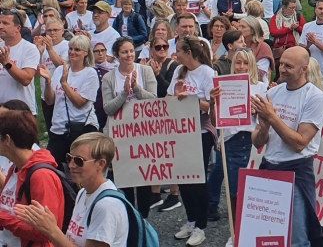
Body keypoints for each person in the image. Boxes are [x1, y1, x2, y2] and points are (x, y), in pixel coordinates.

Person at [251, 46, 323, 247]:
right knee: (267, 234)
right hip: (269, 167)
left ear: (303, 69)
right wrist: (265, 126)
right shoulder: (273, 93)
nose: (282, 69)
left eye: (289, 66)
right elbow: (258, 142)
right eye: (282, 63)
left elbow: (300, 143)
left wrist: (272, 117)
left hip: (296, 171)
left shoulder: (315, 97)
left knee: (297, 238)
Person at [16, 133, 130, 246]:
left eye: (79, 161)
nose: (71, 165)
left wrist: (52, 230)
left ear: (100, 164)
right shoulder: (83, 192)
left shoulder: (106, 206)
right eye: (69, 158)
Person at [207, 49, 266, 245]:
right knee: (233, 192)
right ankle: (236, 233)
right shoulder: (224, 87)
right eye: (238, 63)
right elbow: (216, 121)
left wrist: (256, 110)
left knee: (250, 191)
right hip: (230, 141)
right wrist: (214, 102)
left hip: (251, 140)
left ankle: (247, 232)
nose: (241, 67)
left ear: (252, 65)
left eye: (245, 63)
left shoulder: (261, 88)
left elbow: (266, 120)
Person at [100, 37, 159, 217]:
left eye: (131, 51)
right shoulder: (109, 77)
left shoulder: (146, 71)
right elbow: (108, 108)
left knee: (143, 177)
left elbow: (155, 101)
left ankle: (143, 217)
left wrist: (137, 89)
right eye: (125, 52)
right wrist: (125, 93)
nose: (129, 55)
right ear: (117, 55)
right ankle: (126, 217)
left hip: (143, 134)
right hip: (119, 136)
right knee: (123, 178)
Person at [167, 36, 215, 245]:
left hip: (201, 132)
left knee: (197, 178)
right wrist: (177, 97)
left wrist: (191, 98)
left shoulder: (207, 73)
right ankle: (191, 219)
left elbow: (211, 106)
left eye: (178, 50)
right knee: (183, 178)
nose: (175, 54)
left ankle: (201, 226)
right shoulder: (179, 71)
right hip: (181, 131)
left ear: (188, 52)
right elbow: (169, 98)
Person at [0, 107, 66, 247]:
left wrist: (2, 218)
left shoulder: (41, 176)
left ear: (7, 139)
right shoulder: (15, 168)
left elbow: (44, 231)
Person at [41, 34, 100, 170]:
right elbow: (50, 101)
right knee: (50, 167)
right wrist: (49, 83)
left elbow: (80, 102)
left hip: (81, 128)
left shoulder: (90, 73)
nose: (72, 52)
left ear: (86, 53)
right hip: (58, 128)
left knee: (80, 170)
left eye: (77, 50)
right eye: (71, 48)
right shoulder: (60, 70)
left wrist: (64, 84)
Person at [0, 9, 40, 113]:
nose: (0, 26)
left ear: (17, 28)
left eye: (5, 23)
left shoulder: (29, 48)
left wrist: (6, 63)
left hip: (21, 111)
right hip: (1, 110)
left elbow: (26, 79)